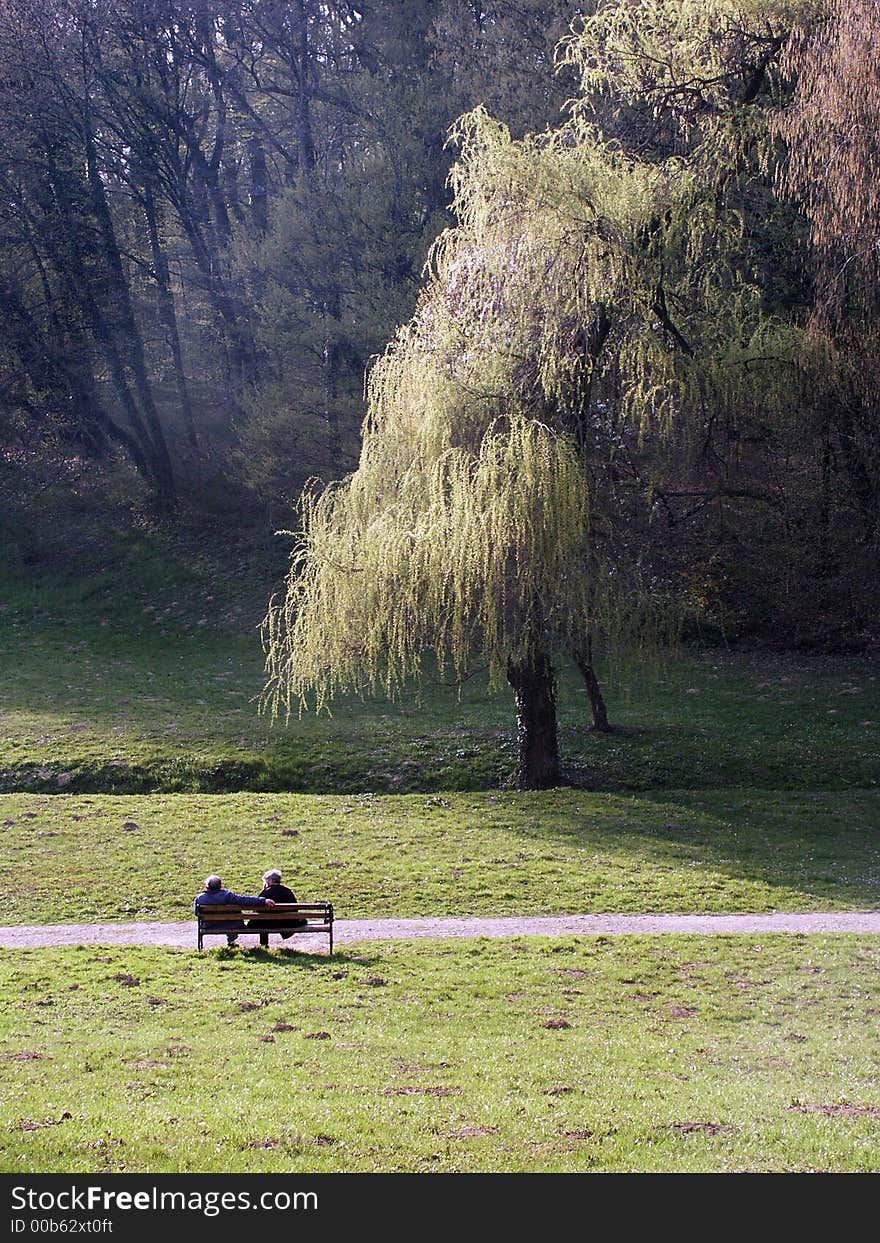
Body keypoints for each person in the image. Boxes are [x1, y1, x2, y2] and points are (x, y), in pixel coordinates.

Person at [193, 875, 276, 946]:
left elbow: (197, 913)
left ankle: (228, 942)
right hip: (230, 925)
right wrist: (263, 901)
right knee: (231, 918)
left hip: (209, 926)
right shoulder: (227, 895)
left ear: (206, 886)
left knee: (229, 918)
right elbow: (244, 900)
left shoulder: (199, 898)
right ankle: (231, 941)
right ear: (220, 885)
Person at [250, 867, 307, 947]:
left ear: (269, 881)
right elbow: (295, 909)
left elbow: (257, 910)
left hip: (267, 924)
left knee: (262, 919)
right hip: (286, 924)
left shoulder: (266, 892)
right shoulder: (288, 891)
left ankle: (264, 944)